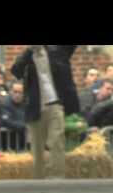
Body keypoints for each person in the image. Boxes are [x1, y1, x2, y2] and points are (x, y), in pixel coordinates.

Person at [11, 45, 80, 178]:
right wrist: (29, 52)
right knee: (37, 147)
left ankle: (57, 178)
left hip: (55, 104)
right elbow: (15, 71)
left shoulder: (58, 51)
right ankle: (39, 179)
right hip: (35, 107)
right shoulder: (27, 57)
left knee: (57, 141)